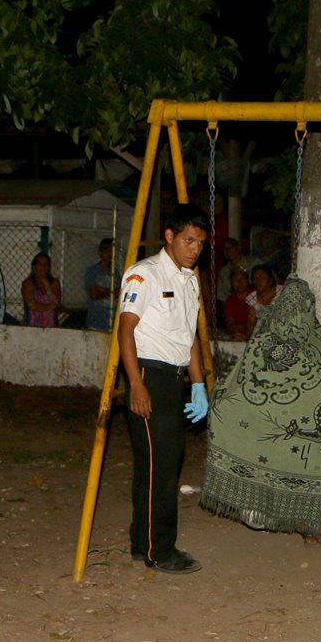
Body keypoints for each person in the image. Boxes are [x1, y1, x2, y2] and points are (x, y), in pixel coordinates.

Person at [200, 277, 321, 543]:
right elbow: (246, 378)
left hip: (301, 430)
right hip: (291, 429)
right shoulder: (312, 341)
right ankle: (298, 521)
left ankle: (291, 517)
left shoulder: (294, 340)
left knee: (300, 456)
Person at [118, 204, 210, 574]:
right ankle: (162, 551)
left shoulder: (189, 280)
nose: (194, 249)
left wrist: (199, 385)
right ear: (170, 236)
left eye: (200, 243)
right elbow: (125, 331)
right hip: (149, 375)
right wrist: (137, 385)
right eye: (188, 240)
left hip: (175, 380)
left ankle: (143, 543)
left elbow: (188, 338)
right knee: (162, 468)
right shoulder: (146, 275)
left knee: (155, 466)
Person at [216, 238, 259, 313]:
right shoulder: (224, 272)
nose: (228, 251)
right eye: (225, 249)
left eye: (230, 247)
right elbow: (223, 297)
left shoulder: (254, 263)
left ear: (238, 248)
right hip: (236, 311)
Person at [22, 252, 61, 327]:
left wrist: (46, 283)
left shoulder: (54, 282)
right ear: (34, 267)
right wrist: (49, 307)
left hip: (51, 326)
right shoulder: (28, 283)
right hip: (31, 325)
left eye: (46, 264)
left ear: (49, 267)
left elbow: (56, 302)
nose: (43, 266)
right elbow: (31, 304)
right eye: (40, 264)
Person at [84, 238, 115, 331]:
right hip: (96, 321)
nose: (109, 253)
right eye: (106, 250)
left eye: (111, 250)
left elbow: (120, 292)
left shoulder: (115, 273)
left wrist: (103, 290)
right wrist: (112, 292)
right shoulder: (93, 271)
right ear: (100, 253)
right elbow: (94, 294)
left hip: (112, 320)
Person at [244, 264, 282, 339]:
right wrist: (245, 338)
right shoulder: (252, 298)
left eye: (262, 278)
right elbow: (251, 323)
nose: (258, 281)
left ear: (271, 280)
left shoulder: (283, 292)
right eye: (255, 278)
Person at [221, 269, 252, 340]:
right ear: (231, 283)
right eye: (235, 280)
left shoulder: (255, 295)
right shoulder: (230, 302)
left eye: (242, 278)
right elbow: (230, 327)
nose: (239, 282)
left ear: (247, 280)